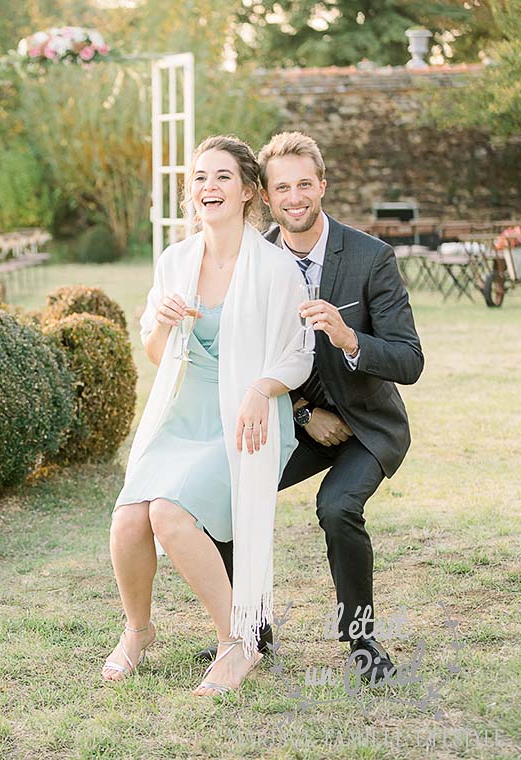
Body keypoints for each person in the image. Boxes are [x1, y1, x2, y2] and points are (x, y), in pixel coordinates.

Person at [201, 132, 424, 684]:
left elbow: (410, 360)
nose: (295, 197)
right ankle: (253, 631)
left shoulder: (372, 257)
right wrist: (302, 413)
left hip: (366, 425)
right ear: (265, 198)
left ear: (322, 186)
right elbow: (247, 357)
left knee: (338, 508)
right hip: (295, 421)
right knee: (224, 494)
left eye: (305, 184)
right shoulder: (250, 261)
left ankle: (361, 638)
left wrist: (350, 340)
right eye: (283, 188)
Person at [100, 135, 312, 696]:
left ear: (248, 191)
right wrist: (164, 324)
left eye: (222, 177)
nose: (208, 187)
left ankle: (238, 640)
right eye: (199, 177)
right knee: (127, 519)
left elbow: (299, 353)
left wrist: (260, 389)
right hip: (182, 413)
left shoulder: (274, 267)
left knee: (169, 513)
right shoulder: (175, 261)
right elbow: (153, 352)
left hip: (247, 417)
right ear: (189, 191)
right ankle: (138, 631)